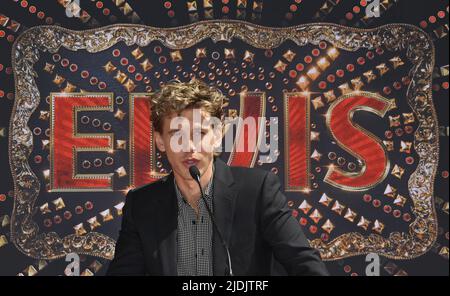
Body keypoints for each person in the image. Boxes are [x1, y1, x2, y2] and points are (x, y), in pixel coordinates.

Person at [107, 79, 329, 276]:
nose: (190, 147)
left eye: (200, 134)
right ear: (160, 142)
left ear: (217, 136)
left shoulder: (257, 190)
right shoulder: (142, 204)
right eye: (177, 135)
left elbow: (304, 263)